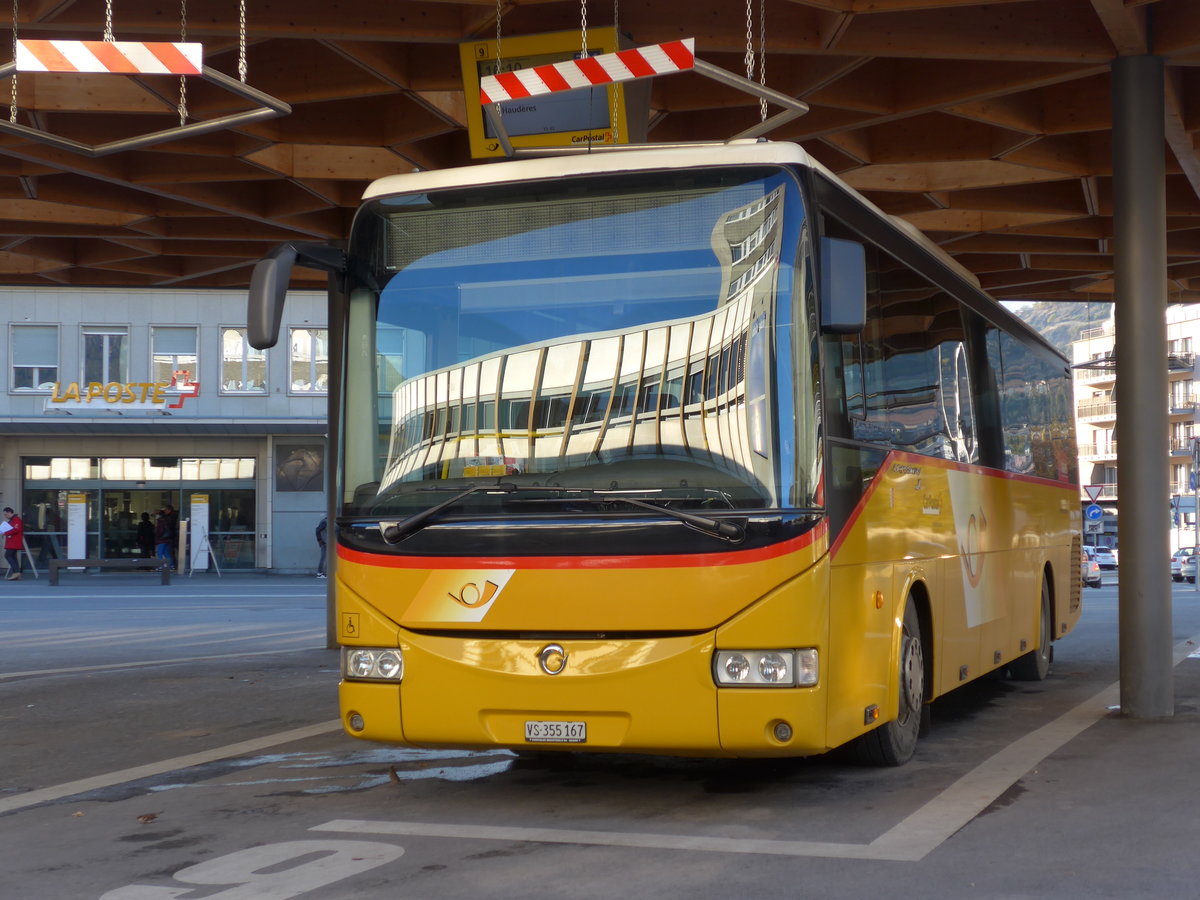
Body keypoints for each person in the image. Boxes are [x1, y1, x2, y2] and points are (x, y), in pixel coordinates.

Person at [2, 507, 24, 580]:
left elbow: (16, 529)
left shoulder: (16, 519)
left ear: (9, 512)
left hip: (14, 542)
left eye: (6, 514)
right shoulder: (13, 520)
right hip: (12, 541)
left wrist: (5, 532)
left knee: (8, 555)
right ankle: (16, 573)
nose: (5, 516)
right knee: (13, 557)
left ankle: (16, 572)